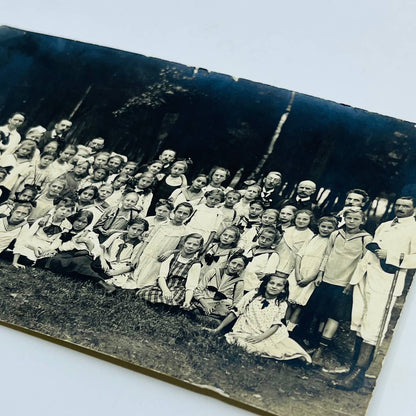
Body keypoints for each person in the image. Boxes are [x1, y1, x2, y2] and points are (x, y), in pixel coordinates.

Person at [330, 197, 416, 390]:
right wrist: (354, 280)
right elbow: (371, 250)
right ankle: (352, 370)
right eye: (398, 205)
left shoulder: (413, 229)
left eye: (406, 206)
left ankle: (358, 374)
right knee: (360, 322)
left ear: (414, 209)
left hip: (387, 282)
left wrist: (393, 256)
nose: (400, 208)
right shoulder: (385, 225)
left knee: (373, 326)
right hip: (366, 277)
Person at [305, 208, 372, 367]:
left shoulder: (366, 239)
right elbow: (327, 255)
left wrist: (352, 283)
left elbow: (364, 263)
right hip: (328, 279)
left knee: (333, 316)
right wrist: (321, 273)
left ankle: (321, 350)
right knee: (320, 313)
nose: (351, 221)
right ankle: (314, 344)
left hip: (344, 284)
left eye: (356, 219)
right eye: (348, 218)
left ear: (362, 221)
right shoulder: (336, 234)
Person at [209, 273, 311, 363]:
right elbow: (235, 312)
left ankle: (296, 359)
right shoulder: (253, 295)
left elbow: (276, 325)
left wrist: (260, 337)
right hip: (248, 329)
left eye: (279, 285)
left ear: (283, 290)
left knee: (287, 349)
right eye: (272, 283)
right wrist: (218, 329)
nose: (274, 287)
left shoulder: (281, 304)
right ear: (266, 284)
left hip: (268, 333)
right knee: (242, 343)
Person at [286, 216, 338, 332]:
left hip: (312, 274)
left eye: (330, 227)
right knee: (289, 300)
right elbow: (300, 255)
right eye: (323, 226)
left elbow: (325, 260)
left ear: (334, 229)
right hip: (299, 271)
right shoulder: (312, 237)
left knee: (300, 304)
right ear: (318, 226)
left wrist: (311, 277)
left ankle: (290, 329)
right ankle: (282, 326)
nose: (325, 229)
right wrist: (298, 273)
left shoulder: (331, 242)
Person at [131, 202, 193, 289]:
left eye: (185, 214)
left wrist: (170, 252)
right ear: (174, 211)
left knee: (146, 283)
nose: (181, 215)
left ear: (188, 216)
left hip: (160, 259)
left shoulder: (185, 231)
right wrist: (137, 257)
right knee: (133, 277)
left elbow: (181, 249)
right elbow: (147, 241)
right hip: (146, 255)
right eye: (179, 212)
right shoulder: (162, 225)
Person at [136, 233, 203, 308]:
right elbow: (162, 276)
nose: (190, 246)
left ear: (199, 247)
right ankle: (163, 303)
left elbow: (190, 286)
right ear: (184, 243)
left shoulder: (195, 264)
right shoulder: (172, 256)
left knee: (174, 298)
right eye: (189, 243)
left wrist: (187, 301)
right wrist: (165, 290)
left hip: (178, 290)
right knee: (143, 292)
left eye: (195, 245)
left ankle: (166, 304)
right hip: (164, 285)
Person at [95, 218, 149, 290]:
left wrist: (115, 272)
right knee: (95, 264)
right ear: (128, 227)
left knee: (117, 279)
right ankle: (103, 278)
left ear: (142, 232)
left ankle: (104, 280)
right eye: (133, 228)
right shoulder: (117, 235)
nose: (135, 232)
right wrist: (103, 261)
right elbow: (102, 247)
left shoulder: (138, 244)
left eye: (139, 230)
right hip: (107, 260)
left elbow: (132, 265)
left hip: (120, 265)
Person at [193, 253, 248, 318]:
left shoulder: (239, 282)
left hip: (219, 305)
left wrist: (233, 305)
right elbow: (198, 290)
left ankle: (207, 313)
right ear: (228, 262)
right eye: (233, 263)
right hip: (204, 300)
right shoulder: (214, 272)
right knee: (195, 297)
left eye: (239, 265)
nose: (235, 266)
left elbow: (237, 301)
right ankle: (204, 310)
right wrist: (205, 304)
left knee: (227, 305)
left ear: (243, 268)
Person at [242, 226, 281, 292]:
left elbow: (268, 274)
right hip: (240, 282)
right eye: (262, 237)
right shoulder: (251, 249)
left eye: (268, 240)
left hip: (253, 286)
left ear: (274, 242)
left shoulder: (272, 255)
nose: (264, 241)